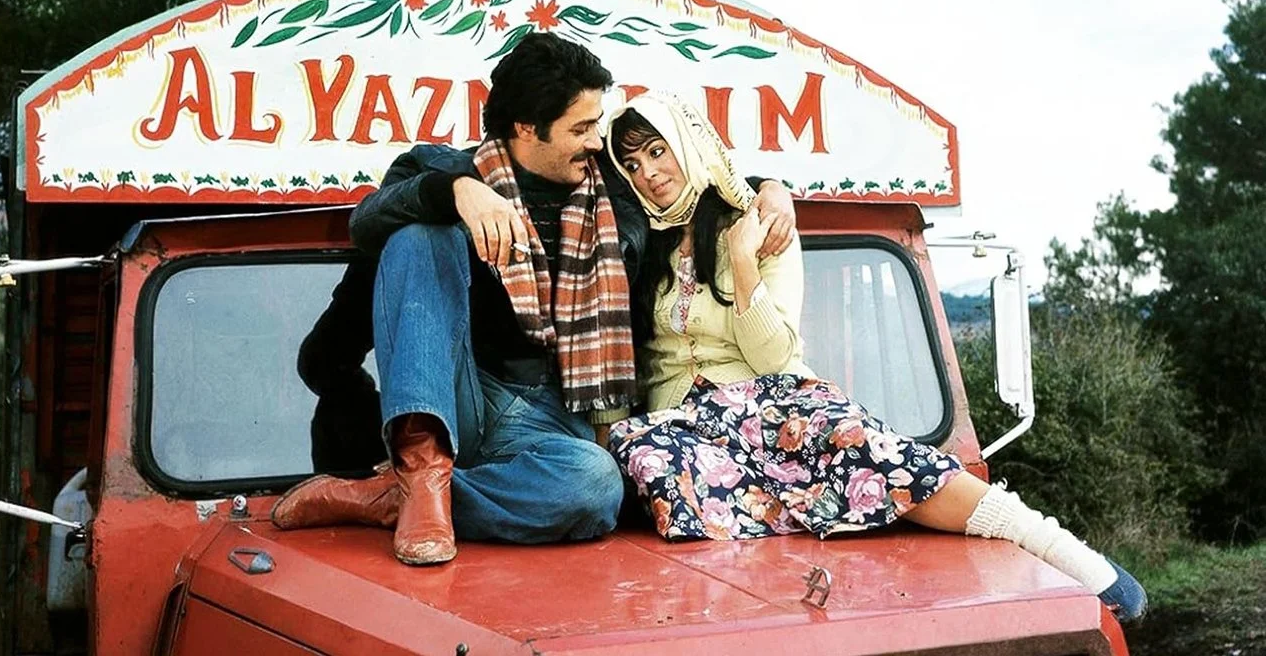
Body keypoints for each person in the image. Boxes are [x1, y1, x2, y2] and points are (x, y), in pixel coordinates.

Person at [603, 91, 1148, 622]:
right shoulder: (634, 241)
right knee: (648, 459)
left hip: (768, 403)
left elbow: (774, 358)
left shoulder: (760, 225)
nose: (648, 172)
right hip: (681, 430)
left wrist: (743, 263)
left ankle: (1051, 544)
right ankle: (817, 527)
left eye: (657, 150)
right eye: (631, 163)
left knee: (857, 441)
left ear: (689, 143)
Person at [270, 34, 798, 566]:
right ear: (527, 127)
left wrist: (771, 190)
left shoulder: (617, 186)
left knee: (597, 485)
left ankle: (398, 496)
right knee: (419, 233)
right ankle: (421, 465)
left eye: (596, 124)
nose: (597, 140)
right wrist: (456, 192)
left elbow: (692, 183)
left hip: (551, 416)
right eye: (581, 128)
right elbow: (367, 223)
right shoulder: (446, 168)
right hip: (463, 394)